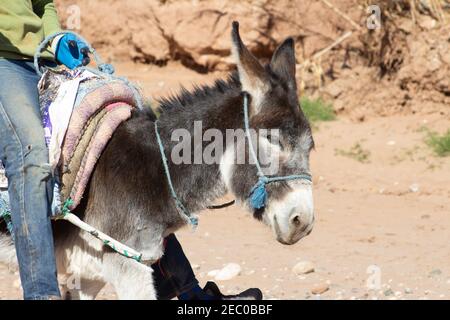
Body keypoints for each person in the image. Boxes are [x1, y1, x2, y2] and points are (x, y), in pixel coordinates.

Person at [0, 0, 262, 300]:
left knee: (127, 149)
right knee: (31, 157)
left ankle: (189, 294)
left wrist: (55, 36)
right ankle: (41, 293)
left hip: (40, 60)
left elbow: (42, 3)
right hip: (3, 64)